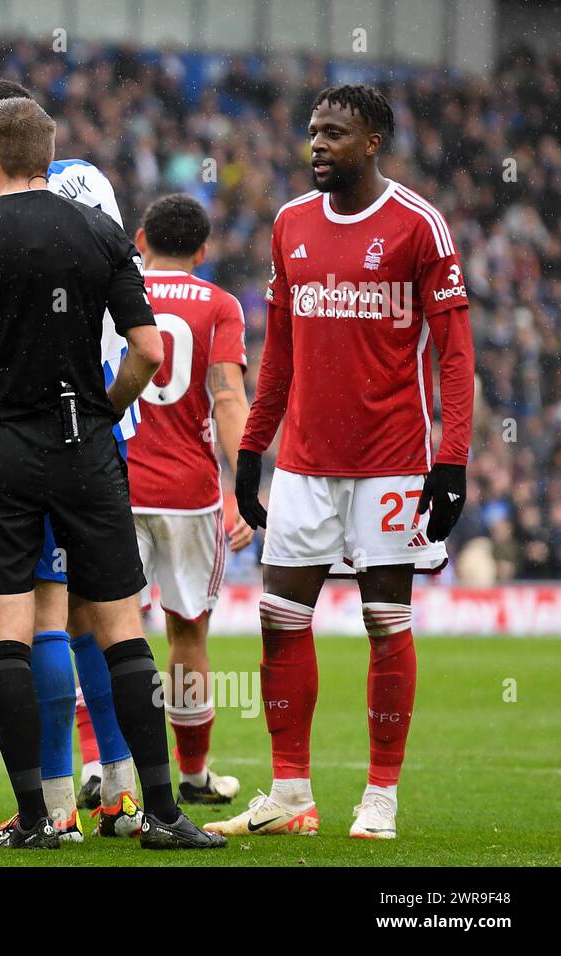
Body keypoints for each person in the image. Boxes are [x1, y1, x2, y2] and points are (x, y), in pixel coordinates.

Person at [0, 96, 224, 851]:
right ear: (49, 154)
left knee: (8, 633)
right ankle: (164, 814)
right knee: (120, 628)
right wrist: (104, 412)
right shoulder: (103, 234)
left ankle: (38, 818)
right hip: (84, 446)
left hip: (0, 449)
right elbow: (147, 351)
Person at [206, 85, 474, 841]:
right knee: (278, 619)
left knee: (385, 622)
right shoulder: (290, 223)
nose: (317, 144)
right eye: (313, 131)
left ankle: (380, 796)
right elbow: (280, 353)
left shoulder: (420, 226)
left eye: (334, 133)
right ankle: (291, 793)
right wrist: (254, 449)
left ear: (374, 140)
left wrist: (450, 460)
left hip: (392, 461)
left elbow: (456, 355)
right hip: (304, 465)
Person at [0, 80, 143, 841]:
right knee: (98, 617)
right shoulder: (79, 196)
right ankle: (119, 792)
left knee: (50, 615)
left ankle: (57, 806)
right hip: (90, 430)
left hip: (56, 430)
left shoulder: (49, 199)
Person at [75, 193, 252, 805]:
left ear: (141, 237)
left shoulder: (110, 290)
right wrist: (247, 483)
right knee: (187, 635)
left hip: (113, 484)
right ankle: (195, 774)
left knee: (99, 629)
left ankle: (101, 768)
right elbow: (227, 396)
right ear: (202, 252)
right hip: (189, 494)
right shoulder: (220, 305)